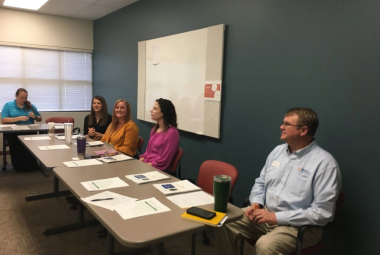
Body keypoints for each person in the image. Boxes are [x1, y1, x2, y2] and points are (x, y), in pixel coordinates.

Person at [215, 108, 342, 255]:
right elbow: (261, 182)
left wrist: (277, 217)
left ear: (303, 130)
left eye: (286, 124)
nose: (281, 127)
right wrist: (256, 203)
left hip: (299, 226)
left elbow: (322, 213)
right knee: (223, 220)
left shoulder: (325, 164)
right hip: (265, 213)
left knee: (265, 246)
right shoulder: (278, 151)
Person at [1, 88, 42, 171]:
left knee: (32, 141)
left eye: (25, 98)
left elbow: (39, 118)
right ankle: (19, 166)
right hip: (13, 132)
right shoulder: (8, 105)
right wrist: (18, 118)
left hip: (29, 130)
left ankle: (32, 165)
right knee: (17, 142)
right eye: (21, 98)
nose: (24, 100)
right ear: (16, 96)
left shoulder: (31, 106)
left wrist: (35, 117)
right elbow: (4, 120)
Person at [139, 98, 179, 171]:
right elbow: (148, 152)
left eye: (155, 109)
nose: (151, 111)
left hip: (158, 171)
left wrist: (147, 165)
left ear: (163, 113)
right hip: (148, 166)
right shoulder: (154, 130)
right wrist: (142, 159)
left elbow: (164, 161)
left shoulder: (172, 133)